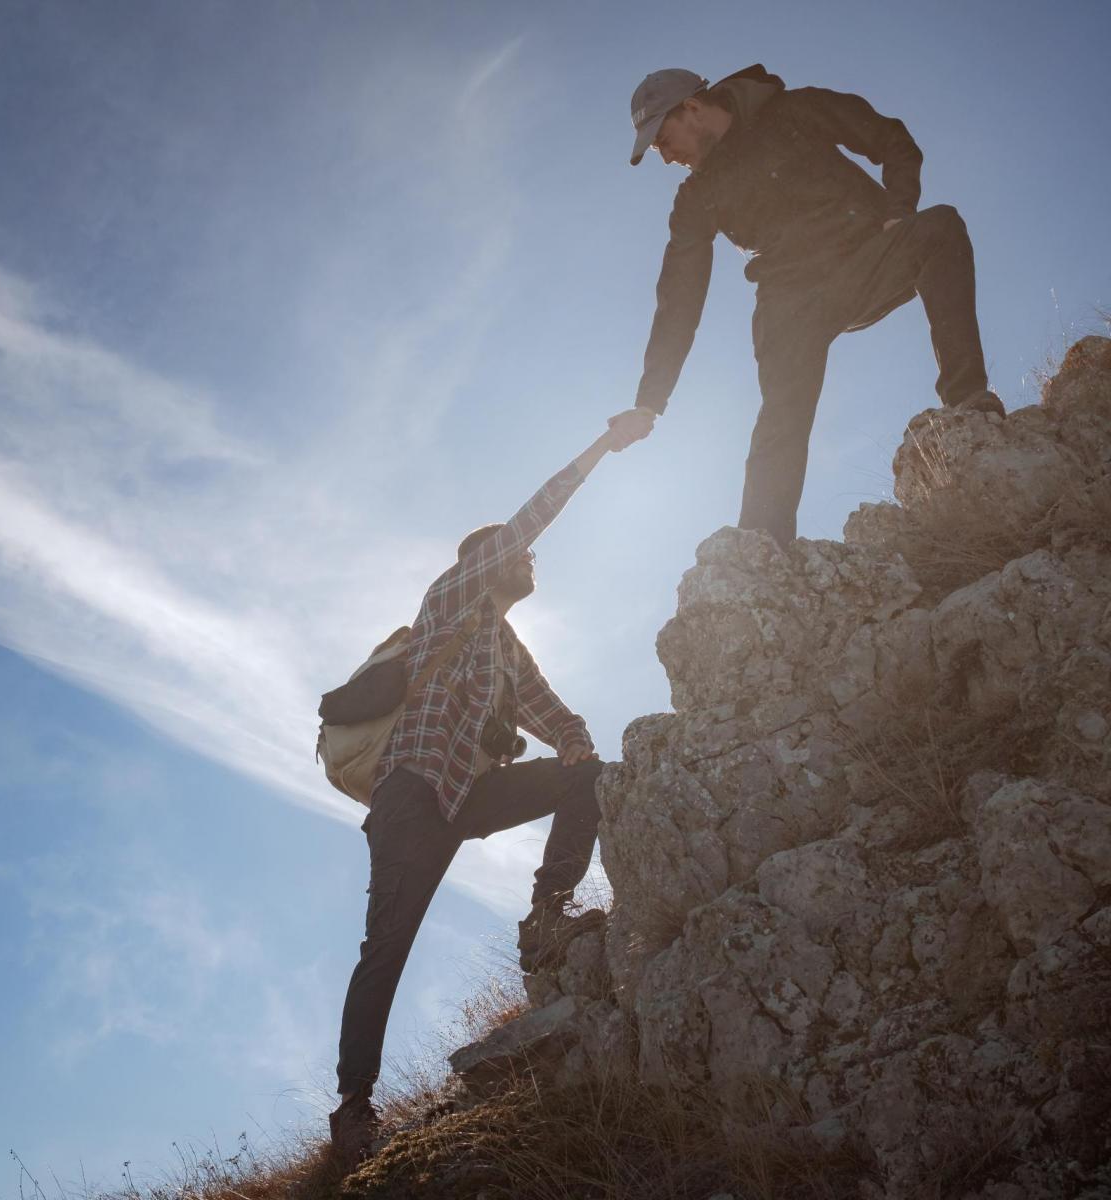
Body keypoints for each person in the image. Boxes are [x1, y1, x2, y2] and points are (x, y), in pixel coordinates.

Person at [329, 412, 648, 1168]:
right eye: (519, 553)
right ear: (489, 562)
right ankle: (354, 1108)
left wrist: (572, 741)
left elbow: (554, 711)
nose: (531, 558)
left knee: (588, 780)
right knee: (387, 951)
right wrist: (603, 446)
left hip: (464, 797)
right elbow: (536, 509)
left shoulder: (507, 648)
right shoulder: (450, 604)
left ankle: (545, 914)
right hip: (410, 799)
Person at [610, 64, 1004, 546]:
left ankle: (967, 402)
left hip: (865, 262)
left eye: (662, 140)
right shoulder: (695, 197)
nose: (666, 158)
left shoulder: (796, 109)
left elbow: (892, 139)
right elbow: (678, 301)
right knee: (781, 412)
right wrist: (649, 401)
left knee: (940, 227)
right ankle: (763, 545)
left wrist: (900, 211)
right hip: (788, 301)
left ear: (691, 108)